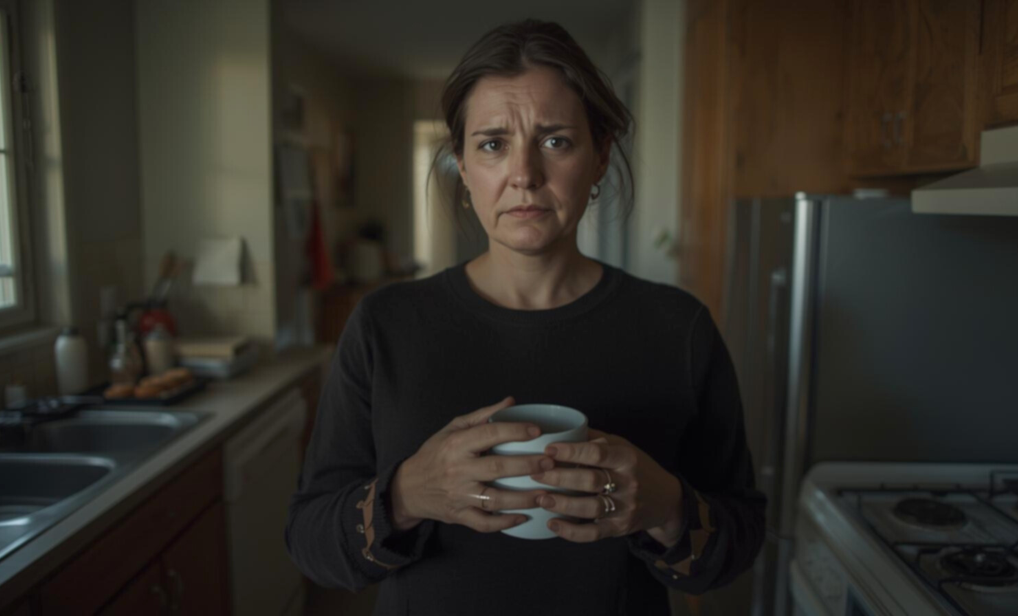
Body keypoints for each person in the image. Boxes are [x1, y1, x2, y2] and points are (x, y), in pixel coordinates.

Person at [286, 19, 765, 616]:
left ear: (599, 158)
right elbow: (310, 541)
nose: (524, 175)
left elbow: (738, 546)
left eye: (556, 141)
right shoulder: (385, 325)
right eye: (492, 144)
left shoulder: (678, 328)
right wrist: (407, 494)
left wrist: (667, 506)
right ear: (462, 167)